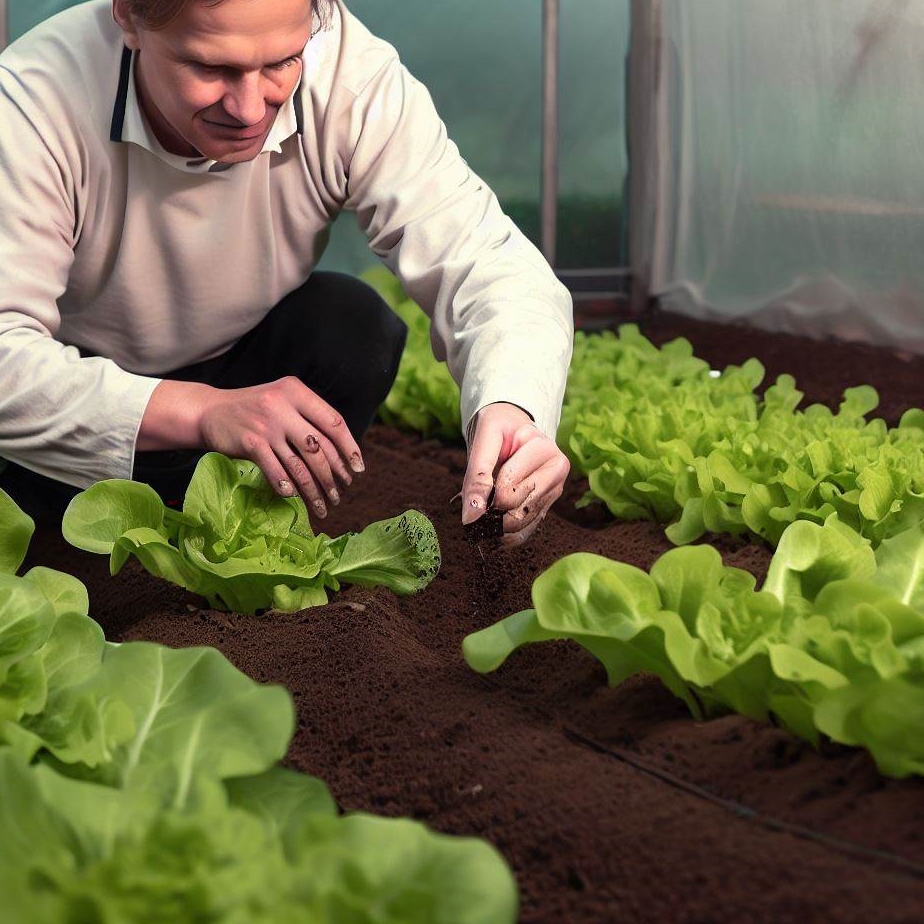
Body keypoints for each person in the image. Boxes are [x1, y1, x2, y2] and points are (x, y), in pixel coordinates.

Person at [0, 0, 573, 547]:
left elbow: (485, 259)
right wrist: (200, 412)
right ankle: (70, 511)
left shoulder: (351, 78)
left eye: (281, 62)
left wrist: (511, 406)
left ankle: (220, 512)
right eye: (210, 67)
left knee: (351, 327)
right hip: (71, 393)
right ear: (127, 15)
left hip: (236, 368)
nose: (249, 108)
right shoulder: (32, 100)